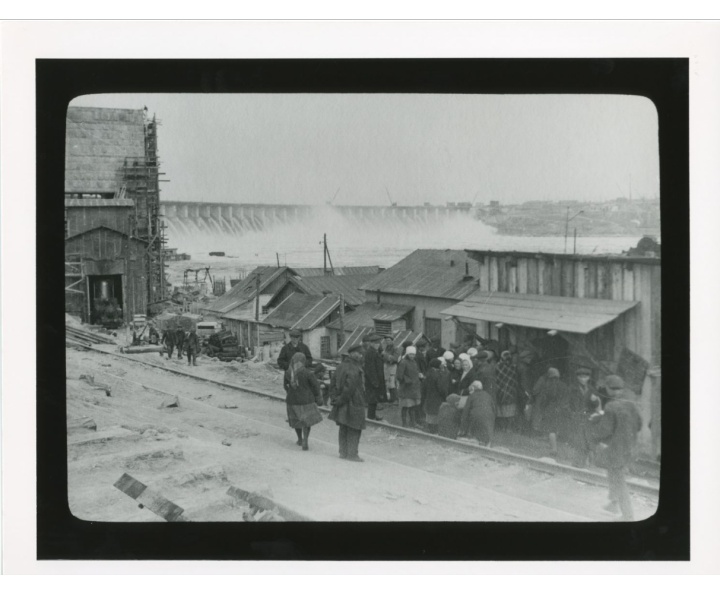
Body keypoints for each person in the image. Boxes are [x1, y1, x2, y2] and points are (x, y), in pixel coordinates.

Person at [588, 375, 642, 521]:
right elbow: (639, 424)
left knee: (618, 478)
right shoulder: (631, 404)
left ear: (608, 388)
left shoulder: (611, 406)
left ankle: (628, 515)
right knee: (613, 472)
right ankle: (613, 504)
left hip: (616, 448)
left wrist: (595, 421)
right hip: (629, 447)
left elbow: (604, 430)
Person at [328, 343, 367, 461]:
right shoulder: (354, 368)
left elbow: (332, 383)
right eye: (359, 354)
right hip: (353, 402)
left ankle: (343, 452)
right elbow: (349, 387)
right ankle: (352, 454)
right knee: (354, 428)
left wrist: (334, 398)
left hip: (343, 402)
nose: (361, 356)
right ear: (353, 354)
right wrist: (341, 400)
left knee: (344, 427)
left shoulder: (341, 365)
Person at [283, 352, 323, 450]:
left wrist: (291, 392)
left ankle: (300, 439)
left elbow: (285, 386)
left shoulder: (288, 372)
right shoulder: (308, 373)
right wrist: (317, 396)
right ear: (303, 361)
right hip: (307, 401)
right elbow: (316, 386)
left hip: (292, 401)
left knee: (297, 420)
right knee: (306, 422)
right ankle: (305, 439)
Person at [568, 365, 603, 467]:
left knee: (585, 441)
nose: (583, 379)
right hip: (576, 417)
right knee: (577, 441)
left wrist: (594, 401)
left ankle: (581, 463)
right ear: (577, 377)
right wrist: (572, 414)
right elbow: (567, 403)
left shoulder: (592, 390)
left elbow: (597, 406)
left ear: (589, 378)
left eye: (585, 377)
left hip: (587, 419)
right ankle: (577, 463)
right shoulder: (572, 389)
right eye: (581, 377)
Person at [530, 367, 569, 457]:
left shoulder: (549, 385)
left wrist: (543, 406)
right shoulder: (563, 385)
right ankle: (555, 445)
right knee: (556, 427)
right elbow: (566, 398)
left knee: (551, 428)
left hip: (551, 408)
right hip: (561, 408)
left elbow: (545, 398)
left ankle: (553, 448)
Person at [459, 380, 496, 446]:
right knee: (485, 437)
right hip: (489, 418)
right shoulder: (488, 395)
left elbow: (465, 412)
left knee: (474, 437)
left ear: (473, 388)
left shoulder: (472, 396)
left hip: (475, 417)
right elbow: (494, 409)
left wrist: (462, 428)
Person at [494, 350, 522, 432]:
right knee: (510, 412)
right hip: (511, 392)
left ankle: (503, 428)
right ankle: (509, 428)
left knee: (501, 411)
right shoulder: (514, 367)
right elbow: (515, 379)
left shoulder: (497, 367)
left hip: (501, 391)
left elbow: (496, 379)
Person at [396, 345, 422, 428]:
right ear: (407, 354)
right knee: (405, 406)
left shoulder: (414, 362)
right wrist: (407, 380)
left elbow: (415, 371)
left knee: (413, 406)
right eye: (410, 354)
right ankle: (404, 423)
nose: (412, 356)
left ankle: (412, 422)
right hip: (406, 388)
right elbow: (399, 376)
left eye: (413, 354)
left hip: (414, 388)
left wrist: (419, 375)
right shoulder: (403, 362)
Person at [363, 333, 386, 420]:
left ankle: (372, 415)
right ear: (371, 343)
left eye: (378, 343)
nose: (377, 345)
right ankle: (371, 417)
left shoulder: (374, 352)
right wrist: (374, 382)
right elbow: (370, 369)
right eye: (376, 343)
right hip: (372, 381)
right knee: (372, 399)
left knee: (374, 398)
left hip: (376, 379)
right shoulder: (370, 353)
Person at [422, 358, 448, 434]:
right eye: (440, 364)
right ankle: (434, 431)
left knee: (430, 414)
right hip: (437, 397)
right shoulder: (437, 375)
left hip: (429, 396)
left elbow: (424, 386)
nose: (442, 365)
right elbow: (441, 388)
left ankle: (430, 429)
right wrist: (445, 395)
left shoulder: (428, 373)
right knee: (435, 414)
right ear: (437, 365)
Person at [383, 337, 401, 403]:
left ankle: (395, 399)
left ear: (392, 341)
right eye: (386, 340)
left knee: (392, 382)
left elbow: (395, 358)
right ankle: (392, 398)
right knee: (388, 382)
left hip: (392, 367)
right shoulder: (387, 348)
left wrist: (386, 355)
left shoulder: (395, 348)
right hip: (387, 367)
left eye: (389, 340)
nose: (387, 342)